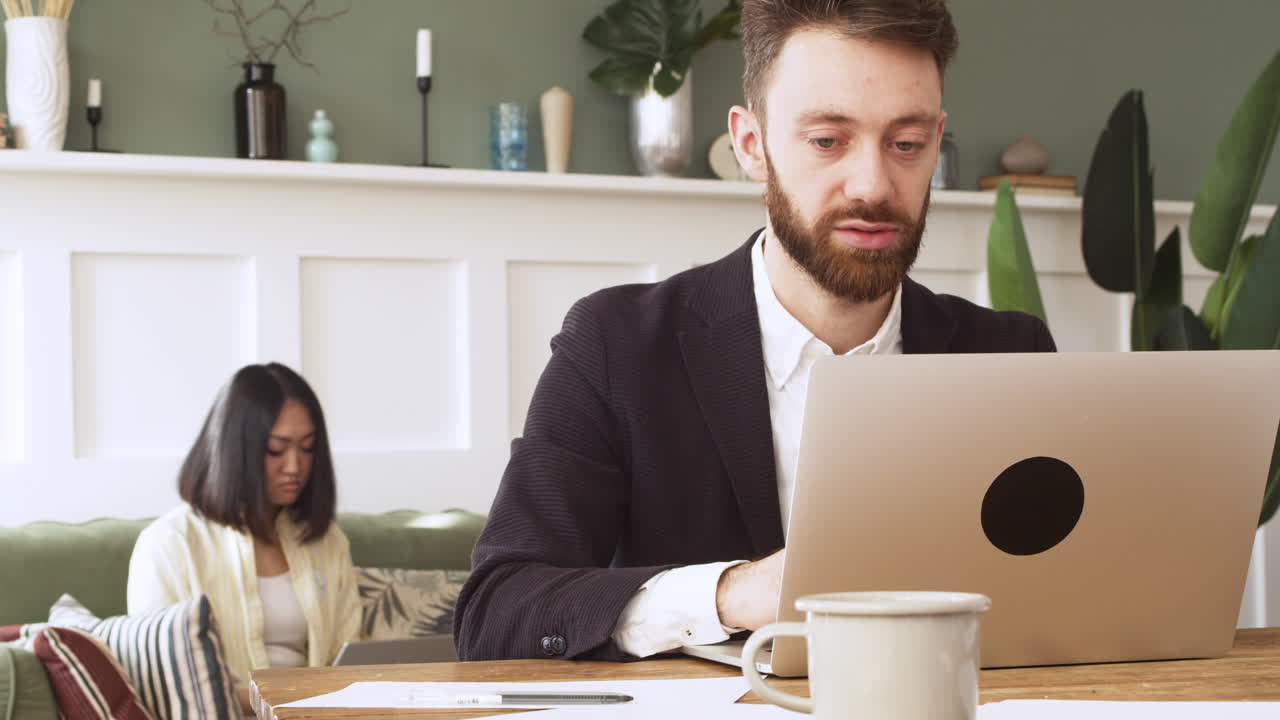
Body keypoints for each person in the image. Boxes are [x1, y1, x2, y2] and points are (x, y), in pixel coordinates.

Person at [454, 0, 1055, 662]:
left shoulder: (1011, 354)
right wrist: (732, 594)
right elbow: (499, 611)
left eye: (906, 144)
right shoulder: (615, 344)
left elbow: (1077, 595)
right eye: (828, 140)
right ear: (751, 145)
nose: (874, 184)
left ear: (936, 140)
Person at [128, 363, 359, 713]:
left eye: (308, 448)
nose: (295, 466)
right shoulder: (168, 544)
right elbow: (162, 684)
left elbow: (350, 656)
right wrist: (286, 698)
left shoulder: (327, 541)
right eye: (276, 450)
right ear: (235, 449)